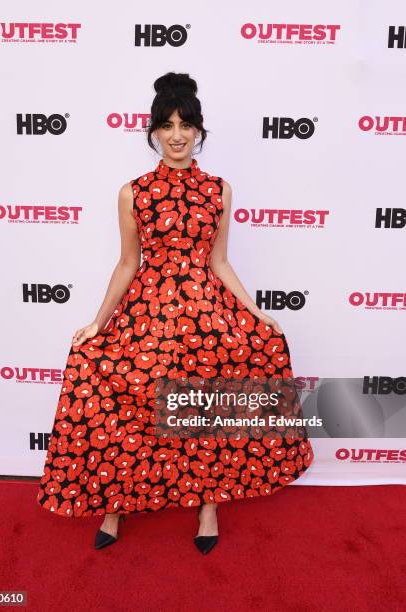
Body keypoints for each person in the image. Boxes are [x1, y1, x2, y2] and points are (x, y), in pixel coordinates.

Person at [36, 71, 314, 555]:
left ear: (199, 131)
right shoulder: (133, 192)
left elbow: (219, 261)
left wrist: (254, 311)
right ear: (154, 133)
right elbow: (128, 263)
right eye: (167, 125)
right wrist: (98, 322)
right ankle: (115, 502)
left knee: (204, 405)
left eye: (186, 125)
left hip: (206, 315)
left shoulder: (219, 190)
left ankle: (208, 503)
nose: (177, 135)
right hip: (148, 312)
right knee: (123, 393)